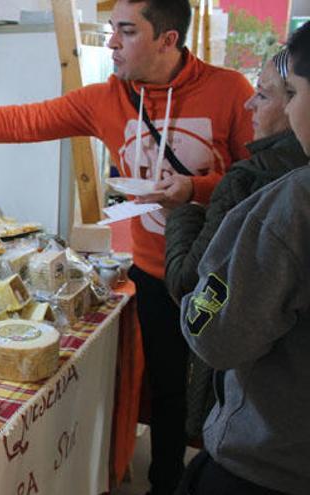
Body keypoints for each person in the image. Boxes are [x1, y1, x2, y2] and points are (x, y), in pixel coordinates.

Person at [0, 1, 254, 493]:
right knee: (166, 387)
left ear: (168, 40)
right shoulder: (108, 97)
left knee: (227, 387)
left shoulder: (229, 90)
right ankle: (166, 481)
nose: (111, 43)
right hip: (152, 269)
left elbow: (259, 180)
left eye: (126, 32)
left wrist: (197, 190)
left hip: (222, 273)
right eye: (111, 30)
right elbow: (26, 121)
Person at [175, 22, 310, 495]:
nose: (289, 108)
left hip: (271, 462)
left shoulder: (288, 207)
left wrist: (183, 213)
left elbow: (216, 335)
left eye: (289, 91)